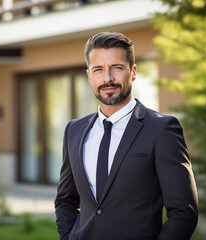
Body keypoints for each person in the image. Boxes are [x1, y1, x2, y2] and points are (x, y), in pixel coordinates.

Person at [55, 32, 198, 240]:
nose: (107, 78)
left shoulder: (161, 129)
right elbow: (65, 200)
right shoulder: (74, 131)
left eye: (117, 68)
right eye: (98, 70)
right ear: (89, 76)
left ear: (133, 72)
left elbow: (184, 212)